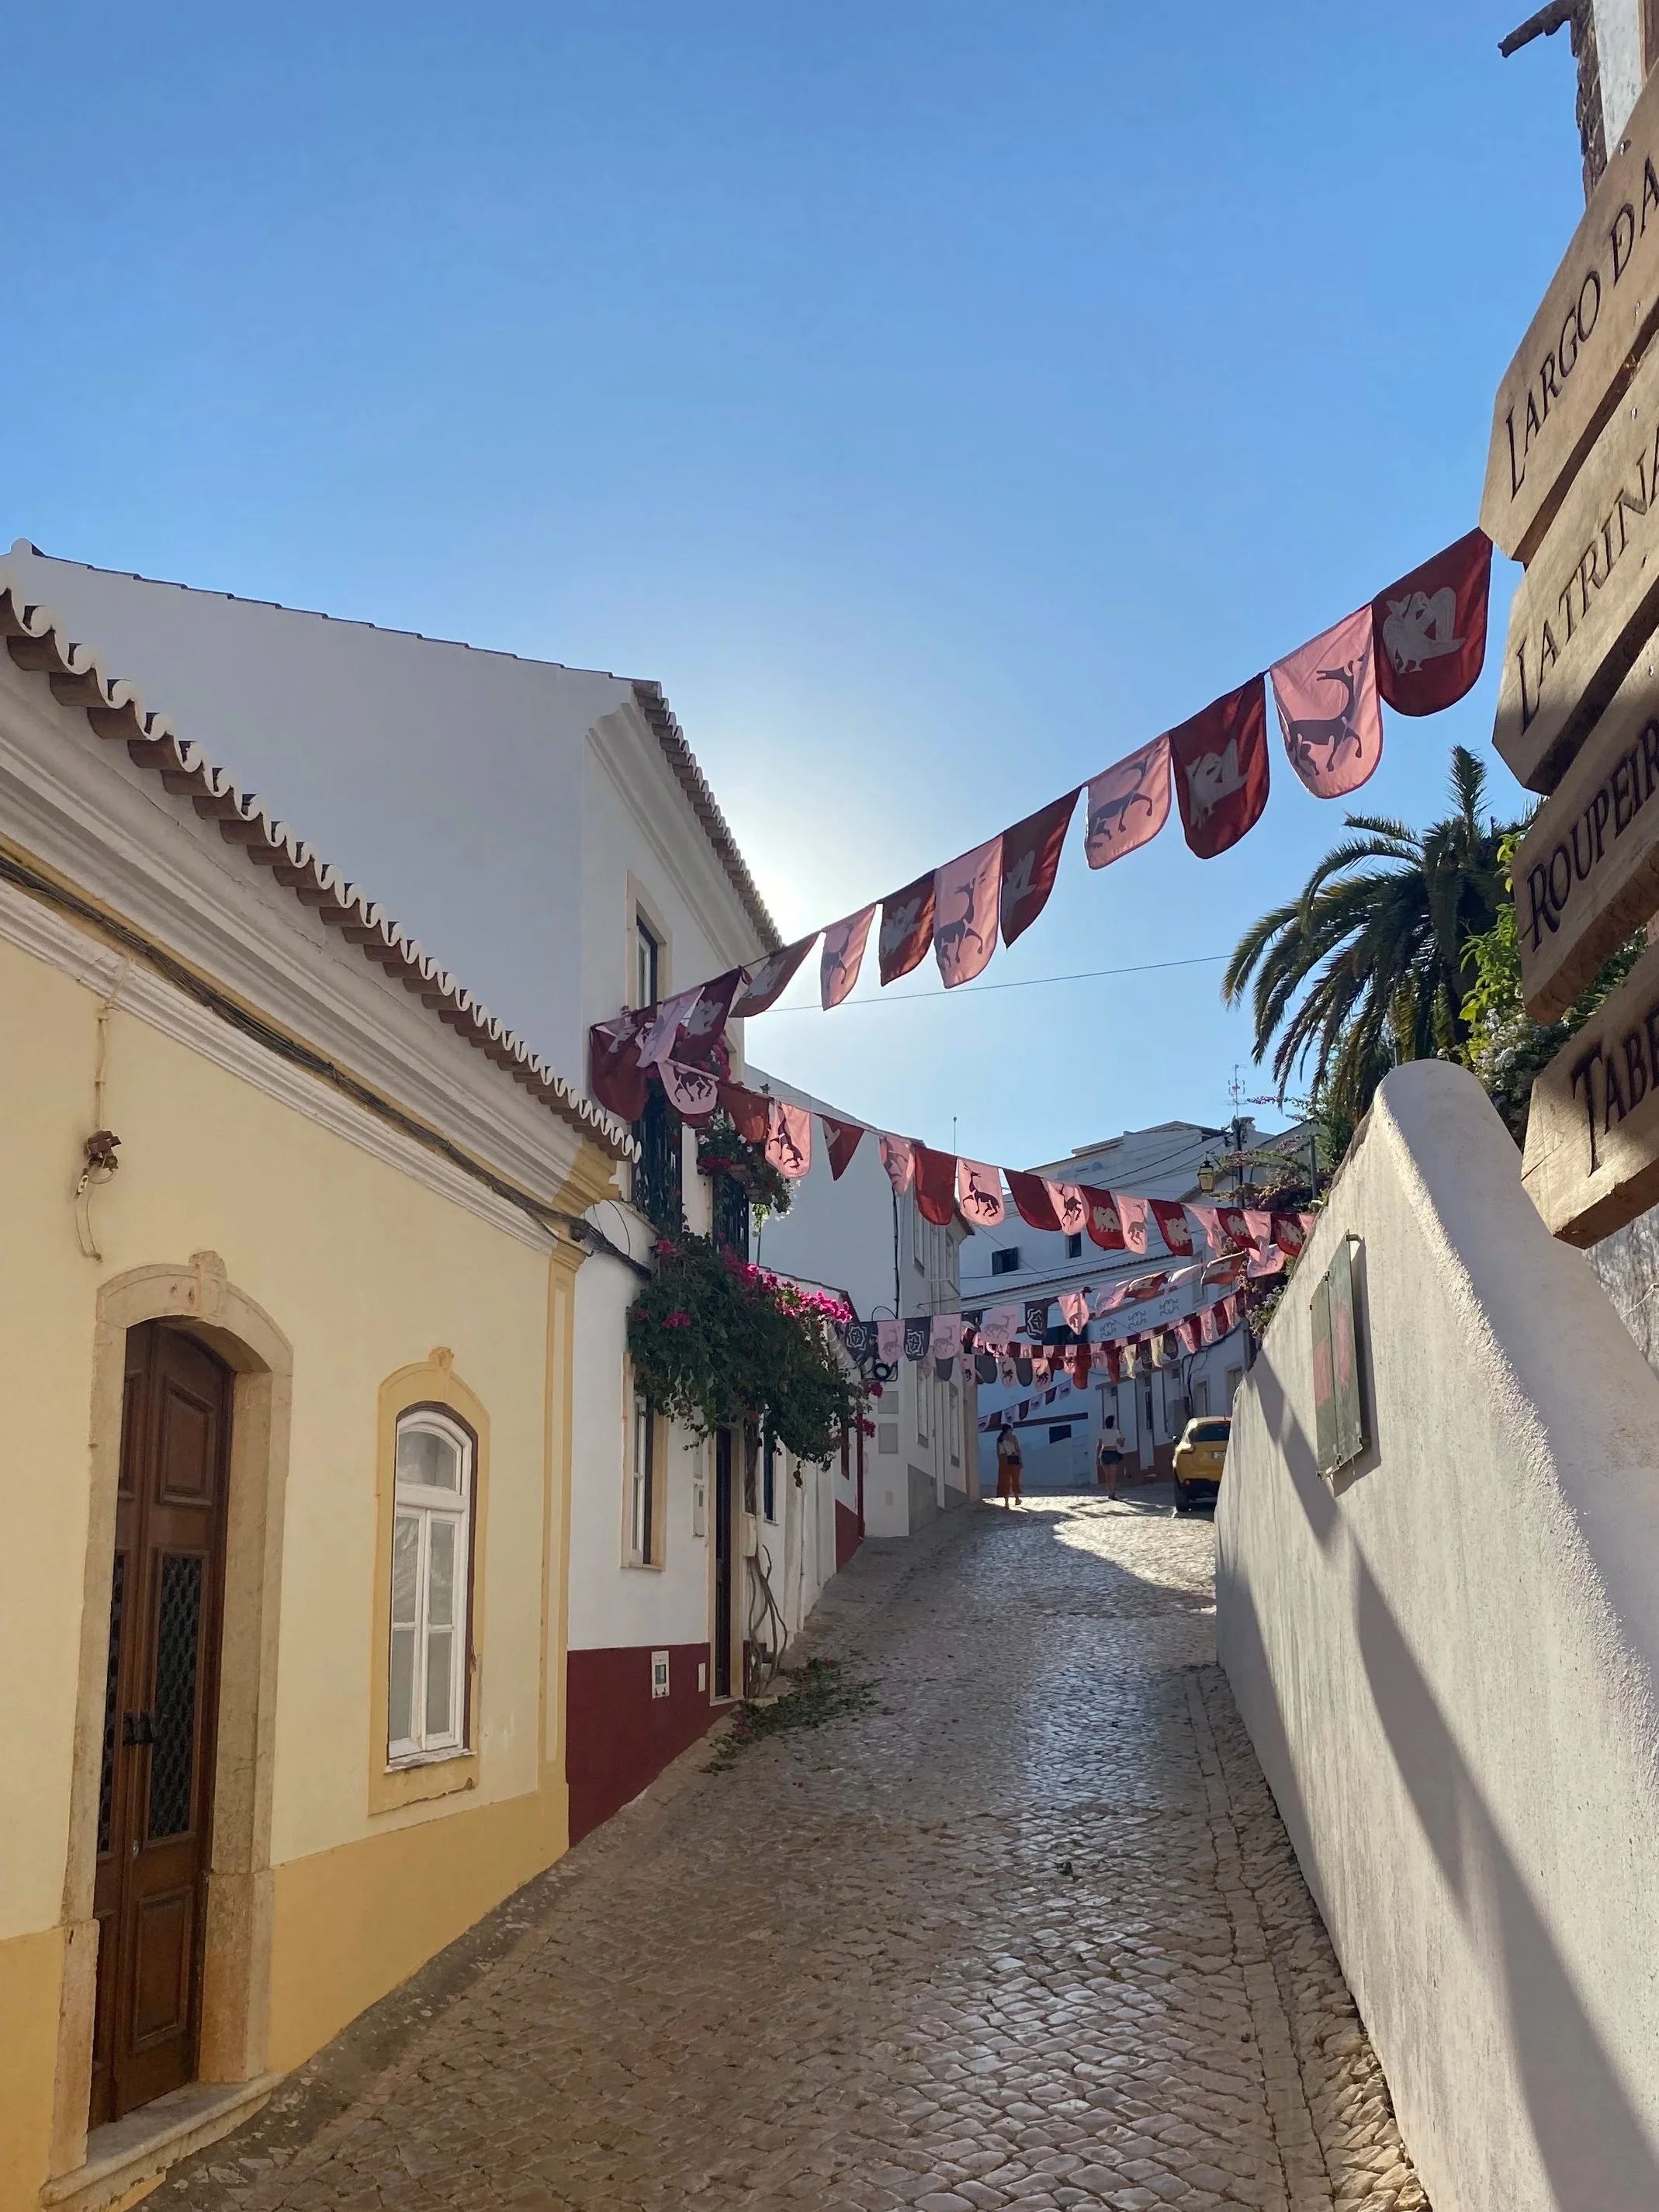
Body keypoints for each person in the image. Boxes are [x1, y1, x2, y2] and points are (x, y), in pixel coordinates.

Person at [995, 1420, 1023, 1508]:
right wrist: (1021, 1461)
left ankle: (1006, 1502)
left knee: (1004, 1481)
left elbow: (998, 1453)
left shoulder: (999, 1439)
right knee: (1015, 1479)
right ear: (1008, 1430)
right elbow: (1018, 1450)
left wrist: (1002, 1460)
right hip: (1013, 1458)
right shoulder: (1013, 1438)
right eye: (1011, 1430)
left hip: (1003, 1460)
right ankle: (1017, 1499)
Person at [1096, 1418, 1124, 1501]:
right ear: (1113, 1424)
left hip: (1104, 1454)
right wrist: (1123, 1439)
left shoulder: (1102, 1432)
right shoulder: (1115, 1432)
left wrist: (1097, 1458)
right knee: (1112, 1475)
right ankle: (1112, 1492)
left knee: (1107, 1475)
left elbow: (1099, 1446)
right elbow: (1121, 1444)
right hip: (1113, 1453)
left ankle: (1109, 1492)